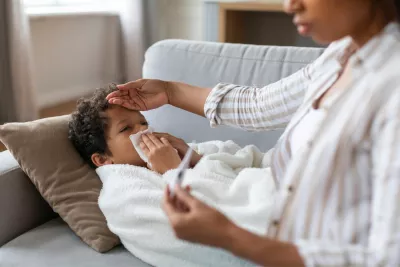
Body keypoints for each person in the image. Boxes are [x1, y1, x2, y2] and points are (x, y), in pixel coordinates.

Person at [106, 0, 400, 266]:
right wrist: (170, 91)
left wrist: (229, 236)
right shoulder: (340, 55)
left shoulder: (391, 87)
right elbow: (258, 105)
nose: (289, 5)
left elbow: (386, 258)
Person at [68, 84, 202, 174]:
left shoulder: (180, 152)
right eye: (125, 128)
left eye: (144, 122)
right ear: (103, 160)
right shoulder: (124, 188)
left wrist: (195, 158)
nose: (143, 128)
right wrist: (173, 170)